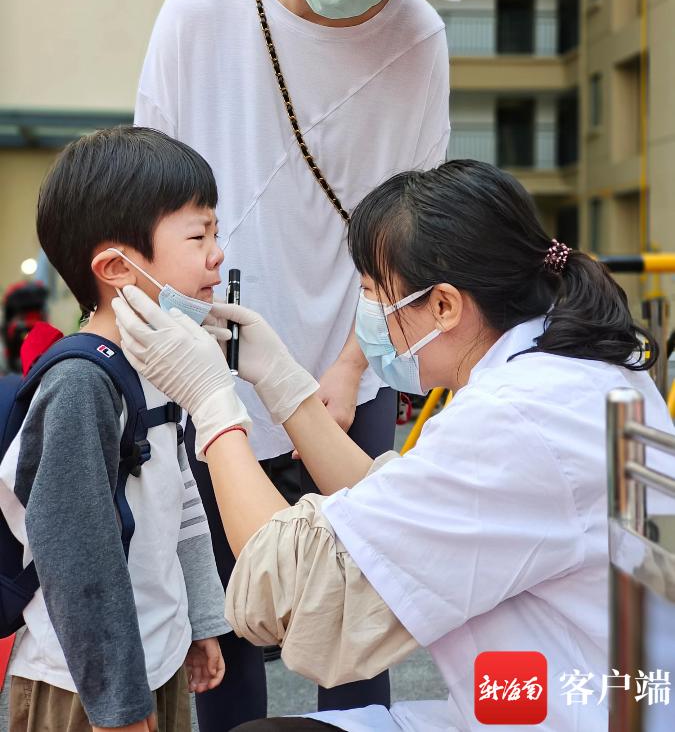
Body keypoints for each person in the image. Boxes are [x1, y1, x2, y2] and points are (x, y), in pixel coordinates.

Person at [113, 159, 675, 732]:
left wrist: (212, 402)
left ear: (445, 305)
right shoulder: (576, 372)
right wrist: (281, 381)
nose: (369, 320)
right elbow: (393, 505)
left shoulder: (515, 419)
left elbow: (290, 589)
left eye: (372, 294)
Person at [134, 0, 471, 723]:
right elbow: (148, 202)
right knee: (227, 631)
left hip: (340, 371)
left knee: (349, 625)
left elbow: (409, 223)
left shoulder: (416, 37)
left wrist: (356, 366)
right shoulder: (199, 12)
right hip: (204, 370)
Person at [0, 127, 229, 732]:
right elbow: (78, 556)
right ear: (116, 268)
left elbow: (182, 502)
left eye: (215, 230)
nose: (217, 253)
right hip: (85, 687)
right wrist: (120, 703)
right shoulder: (82, 384)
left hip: (155, 659)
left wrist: (201, 622)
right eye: (198, 234)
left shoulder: (162, 361)